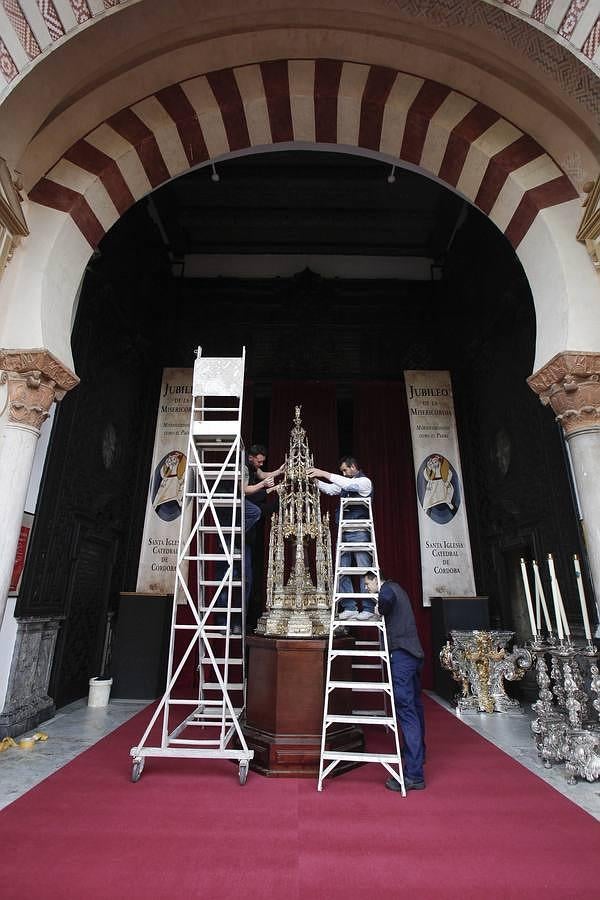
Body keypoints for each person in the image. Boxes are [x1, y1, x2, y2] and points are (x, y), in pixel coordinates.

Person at [364, 571, 426, 792]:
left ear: (374, 579)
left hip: (402, 656)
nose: (366, 589)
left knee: (406, 711)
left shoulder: (388, 589)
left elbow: (386, 600)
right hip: (414, 654)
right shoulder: (400, 589)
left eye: (367, 584)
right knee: (416, 709)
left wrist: (379, 609)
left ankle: (414, 775)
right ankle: (420, 757)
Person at [308, 456, 376, 619]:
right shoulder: (346, 483)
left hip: (359, 532)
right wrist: (314, 480)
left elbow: (347, 484)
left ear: (354, 467)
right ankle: (350, 606)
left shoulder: (364, 482)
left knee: (363, 571)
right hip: (344, 532)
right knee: (342, 570)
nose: (344, 473)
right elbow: (332, 489)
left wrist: (322, 472)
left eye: (345, 470)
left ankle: (367, 608)